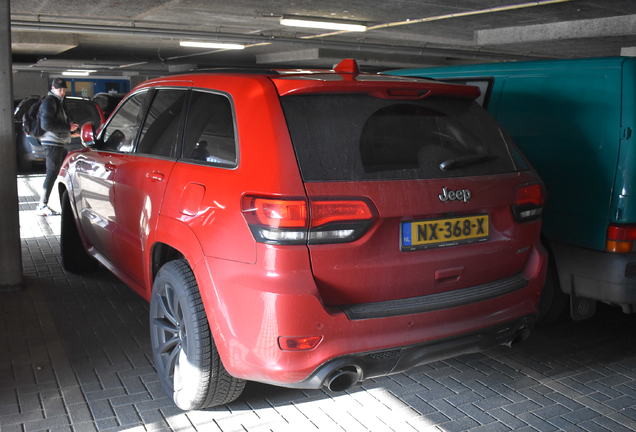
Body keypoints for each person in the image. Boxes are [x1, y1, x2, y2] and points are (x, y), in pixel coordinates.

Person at [36, 78, 78, 216]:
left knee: (57, 173)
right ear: (53, 88)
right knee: (52, 173)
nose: (62, 92)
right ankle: (42, 205)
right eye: (60, 89)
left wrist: (70, 128)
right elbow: (46, 125)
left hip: (59, 142)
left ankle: (48, 203)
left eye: (64, 90)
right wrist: (67, 127)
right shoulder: (50, 101)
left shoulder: (58, 102)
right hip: (51, 142)